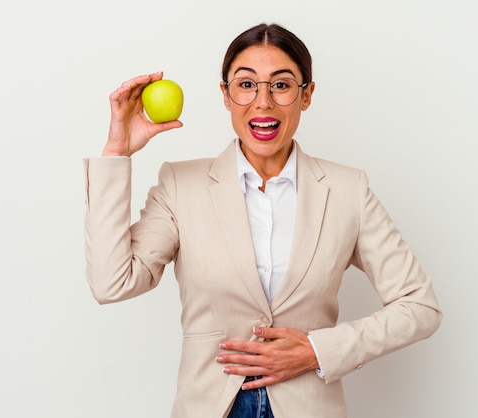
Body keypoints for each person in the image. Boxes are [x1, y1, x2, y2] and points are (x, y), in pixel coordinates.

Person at [83, 22, 442, 418]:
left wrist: (317, 351)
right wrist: (117, 152)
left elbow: (419, 307)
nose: (263, 102)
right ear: (226, 94)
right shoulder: (180, 185)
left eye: (282, 85)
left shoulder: (347, 190)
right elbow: (111, 283)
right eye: (247, 84)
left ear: (306, 96)